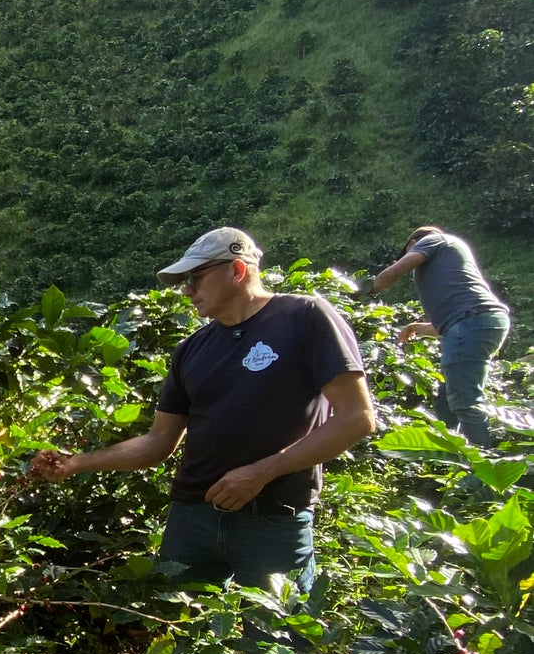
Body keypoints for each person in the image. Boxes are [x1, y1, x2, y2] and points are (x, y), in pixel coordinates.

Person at [30, 227, 376, 591]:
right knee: (176, 622)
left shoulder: (305, 317)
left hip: (272, 519)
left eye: (195, 278)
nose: (187, 290)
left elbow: (357, 418)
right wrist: (76, 463)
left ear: (237, 270)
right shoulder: (191, 349)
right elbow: (157, 442)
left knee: (276, 627)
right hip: (192, 519)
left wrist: (261, 472)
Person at [364, 227, 510, 448]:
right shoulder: (450, 253)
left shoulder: (434, 240)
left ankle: (482, 463)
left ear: (413, 243)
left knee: (465, 401)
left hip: (472, 321)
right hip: (476, 322)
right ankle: (451, 455)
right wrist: (416, 327)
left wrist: (366, 290)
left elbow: (395, 271)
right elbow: (448, 327)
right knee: (445, 403)